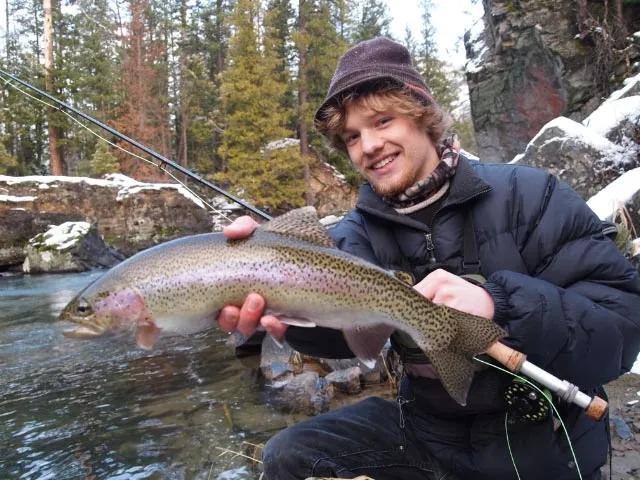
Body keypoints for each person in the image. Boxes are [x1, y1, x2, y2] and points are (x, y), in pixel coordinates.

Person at [217, 37, 640, 480]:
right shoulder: (352, 236)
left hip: (543, 439)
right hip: (428, 435)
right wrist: (271, 292)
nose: (369, 146)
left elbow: (624, 333)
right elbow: (342, 336)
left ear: (421, 116)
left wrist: (500, 305)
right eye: (352, 137)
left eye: (382, 121)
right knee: (288, 455)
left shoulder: (531, 195)